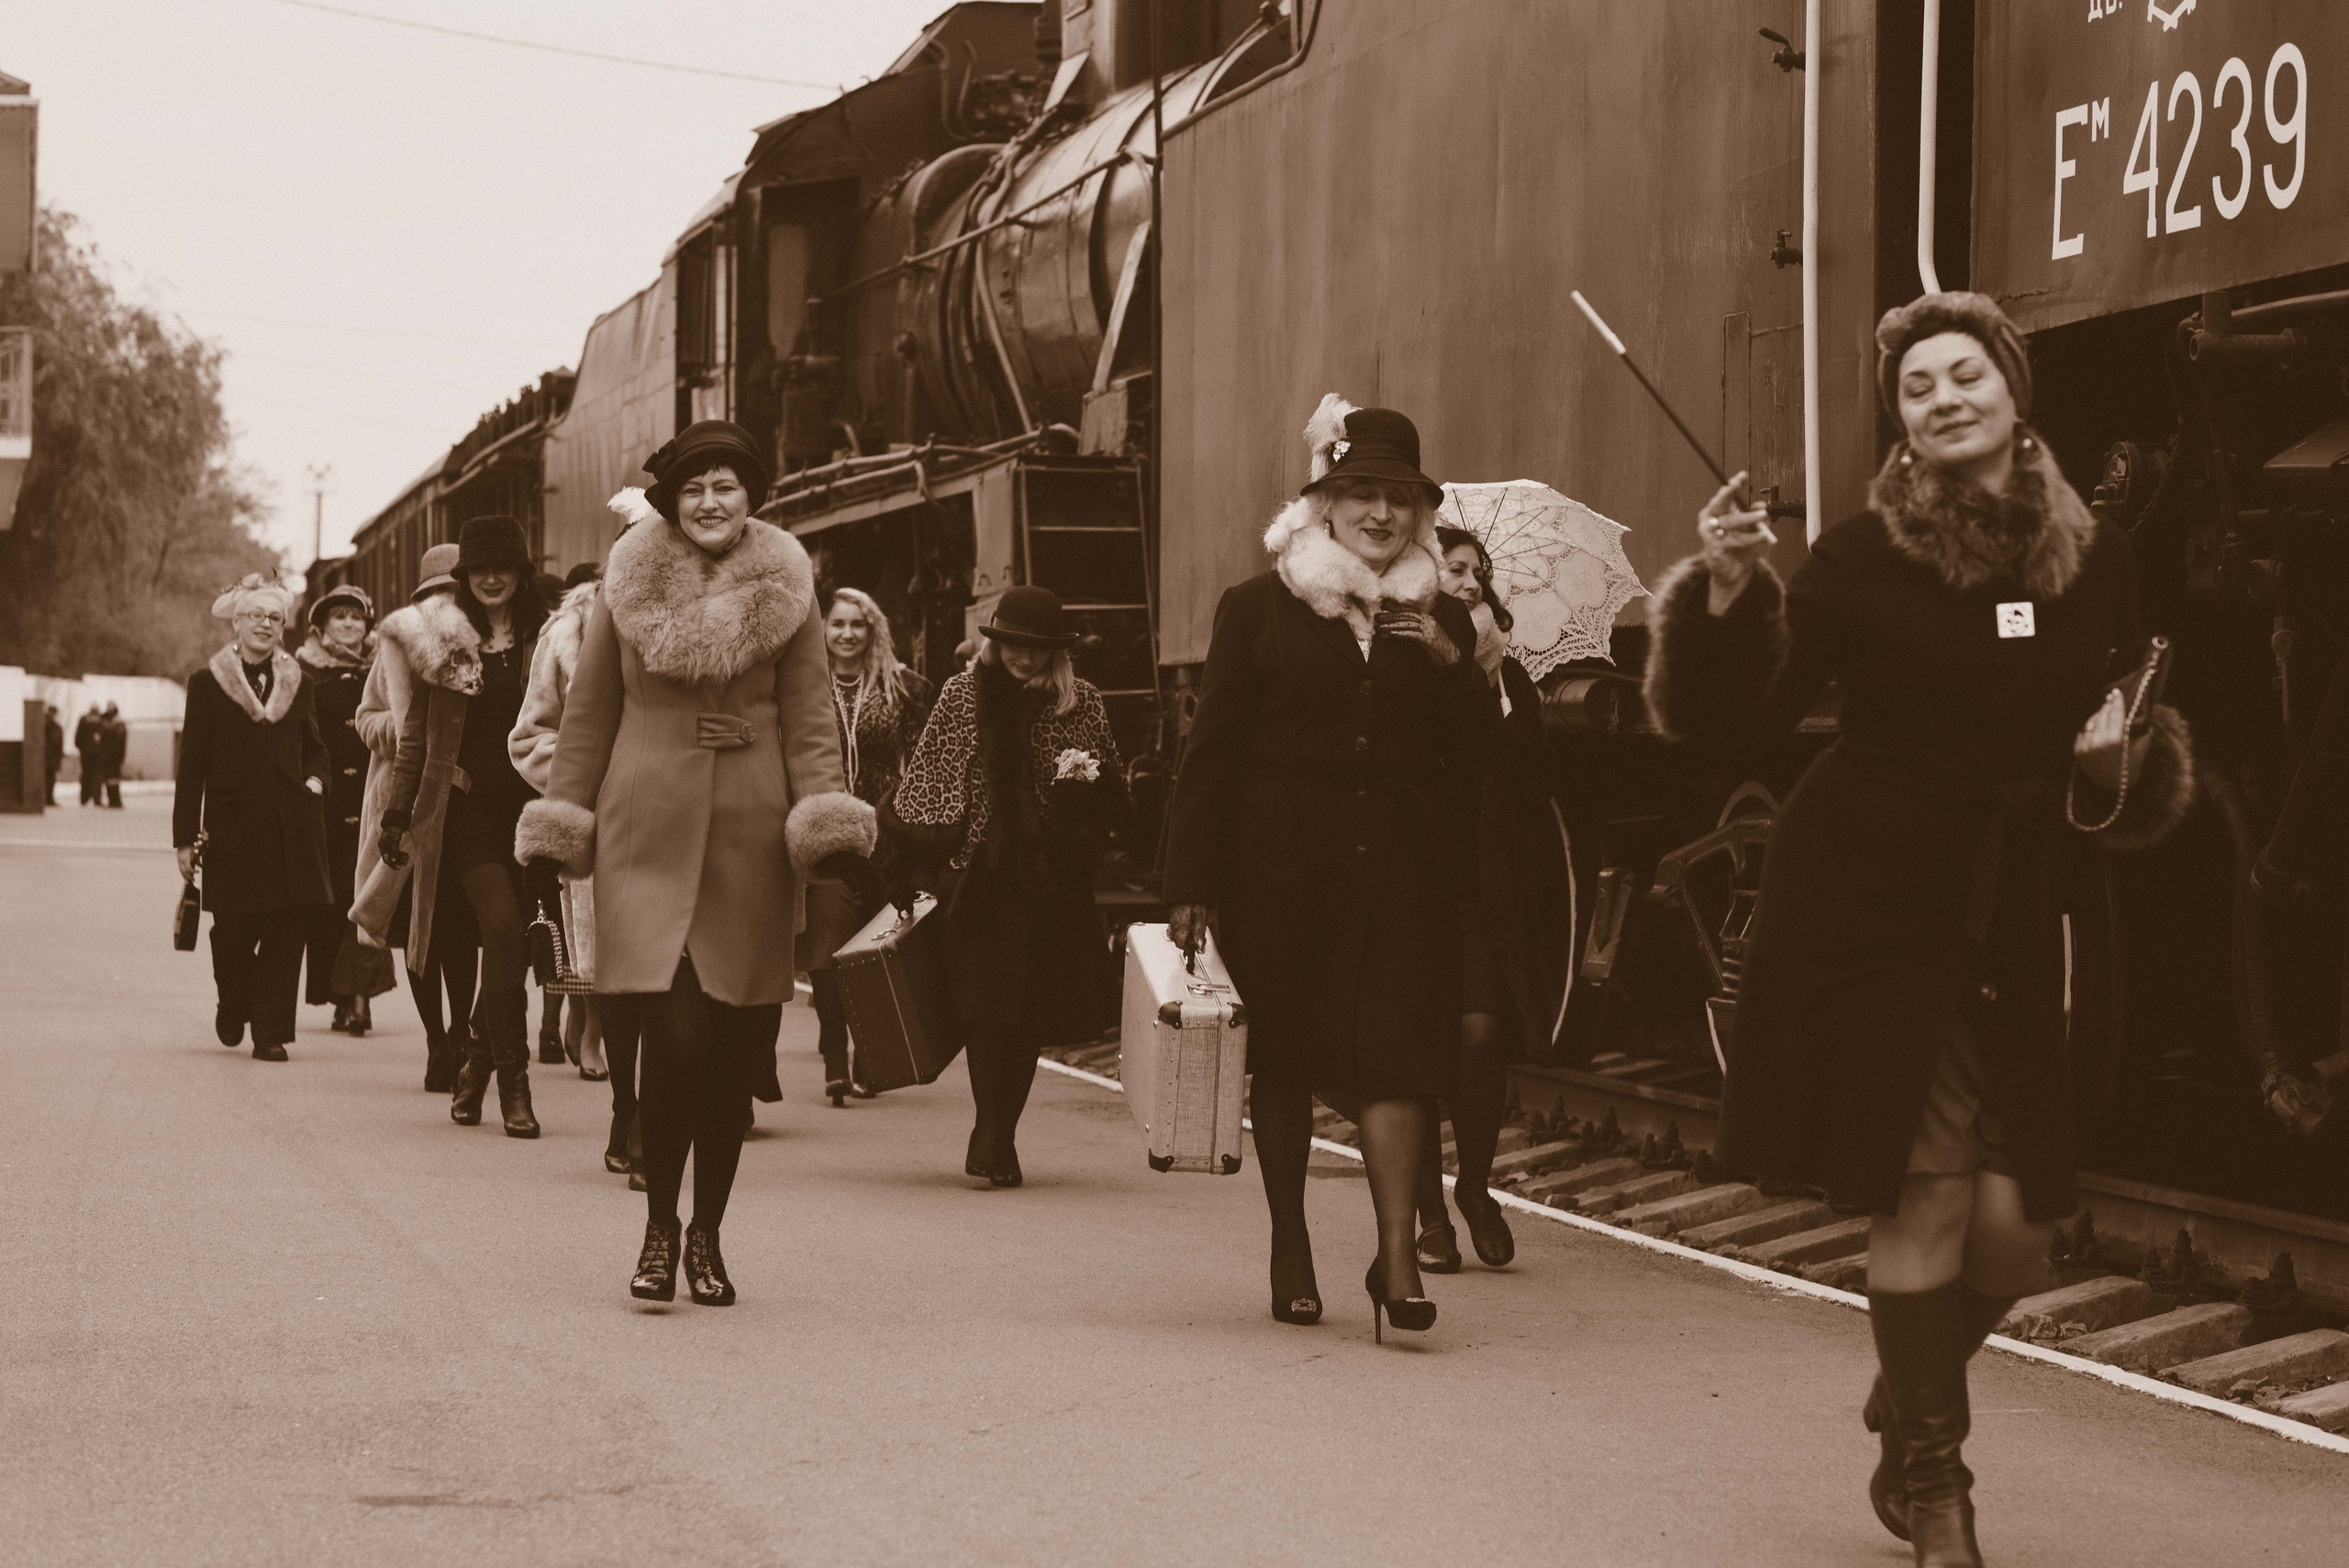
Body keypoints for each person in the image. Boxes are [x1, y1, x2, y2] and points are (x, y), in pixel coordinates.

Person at [1642, 293, 2195, 1568]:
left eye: (1964, 376)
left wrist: (2119, 755)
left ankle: (1909, 1388)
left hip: (2012, 904)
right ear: (1902, 421)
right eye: (1916, 389)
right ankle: (1935, 1486)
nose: (1943, 400)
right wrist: (1729, 592)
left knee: (2025, 1220)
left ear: (2013, 388)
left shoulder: (2092, 554)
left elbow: (2127, 716)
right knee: (1928, 1192)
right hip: (1871, 901)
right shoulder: (1854, 557)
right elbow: (1741, 728)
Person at [517, 420, 877, 1306]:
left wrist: (822, 819)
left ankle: (709, 1234)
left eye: (725, 485)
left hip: (750, 846)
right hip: (645, 835)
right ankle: (658, 1229)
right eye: (694, 489)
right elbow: (591, 715)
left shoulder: (788, 584)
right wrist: (563, 822)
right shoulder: (625, 585)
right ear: (670, 505)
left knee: (733, 1061)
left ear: (751, 496)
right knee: (674, 1040)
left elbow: (808, 718)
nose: (710, 502)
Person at [1162, 398, 1491, 1341]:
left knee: (1400, 1060)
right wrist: (1189, 881)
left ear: (1419, 511)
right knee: (1288, 1058)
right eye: (1359, 494)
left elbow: (1477, 762)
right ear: (1322, 504)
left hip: (1401, 870)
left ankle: (1393, 1257)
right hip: (1281, 867)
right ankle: (1291, 1244)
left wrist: (1452, 665)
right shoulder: (1257, 608)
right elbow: (1211, 755)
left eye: (1396, 497)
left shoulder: (1445, 622)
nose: (1379, 514)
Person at [885, 584, 1124, 1186]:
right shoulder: (962, 694)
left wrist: (1081, 796)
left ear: (1056, 651)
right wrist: (912, 863)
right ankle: (991, 1130)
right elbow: (928, 782)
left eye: (1038, 648)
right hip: (977, 880)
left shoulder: (1081, 701)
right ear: (996, 640)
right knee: (987, 1012)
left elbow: (1111, 786)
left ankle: (1001, 1132)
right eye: (1014, 644)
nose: (1023, 657)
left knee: (1028, 1017)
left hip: (1051, 883)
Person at [1411, 526, 1574, 1274]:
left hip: (1481, 887)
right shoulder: (1401, 660)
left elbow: (1535, 784)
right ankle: (1427, 1219)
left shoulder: (1510, 681)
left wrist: (1495, 692)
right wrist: (1452, 675)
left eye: (1480, 572)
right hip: (1413, 876)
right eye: (1455, 568)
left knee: (1480, 1033)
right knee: (1408, 1052)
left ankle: (1473, 1187)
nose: (1472, 583)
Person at [366, 516, 548, 1139]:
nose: (492, 576)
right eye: (479, 567)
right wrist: (397, 814)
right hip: (466, 810)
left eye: (503, 565)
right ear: (464, 576)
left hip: (535, 813)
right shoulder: (443, 640)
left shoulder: (546, 638)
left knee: (517, 944)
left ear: (522, 572)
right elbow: (414, 739)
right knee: (499, 925)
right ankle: (513, 1083)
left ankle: (474, 1061)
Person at [510, 558, 642, 1185]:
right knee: (618, 978)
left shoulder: (710, 609)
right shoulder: (570, 629)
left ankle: (668, 1112)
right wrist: (594, 779)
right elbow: (530, 736)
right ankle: (629, 1110)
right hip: (605, 828)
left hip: (695, 822)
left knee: (682, 982)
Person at [173, 573, 334, 1061]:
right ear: (236, 623)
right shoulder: (207, 684)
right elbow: (192, 766)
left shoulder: (299, 682)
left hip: (290, 828)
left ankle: (270, 1032)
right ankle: (233, 1001)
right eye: (256, 616)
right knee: (234, 931)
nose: (265, 625)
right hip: (231, 829)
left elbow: (316, 750)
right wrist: (184, 838)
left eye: (275, 618)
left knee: (287, 930)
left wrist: (314, 782)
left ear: (283, 627)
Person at [353, 543, 480, 1092]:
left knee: (459, 931)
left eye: (453, 594)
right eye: (434, 595)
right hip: (403, 799)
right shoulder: (393, 649)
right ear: (421, 600)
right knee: (414, 927)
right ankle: (436, 1040)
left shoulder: (477, 652)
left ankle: (461, 1033)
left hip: (464, 802)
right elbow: (364, 718)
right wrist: (404, 733)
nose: (443, 605)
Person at [809, 586, 935, 1104]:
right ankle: (835, 1058)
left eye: (857, 625)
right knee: (825, 951)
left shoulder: (900, 687)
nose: (846, 634)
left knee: (873, 949)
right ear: (824, 630)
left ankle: (867, 1053)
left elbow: (923, 760)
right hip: (824, 830)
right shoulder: (805, 686)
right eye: (837, 624)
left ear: (872, 630)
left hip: (883, 834)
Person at [297, 584, 382, 1034]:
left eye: (356, 617)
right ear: (322, 626)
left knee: (367, 896)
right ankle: (339, 991)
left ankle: (362, 995)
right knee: (331, 902)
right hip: (325, 801)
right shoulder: (304, 671)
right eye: (339, 618)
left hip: (374, 797)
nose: (349, 625)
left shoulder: (383, 666)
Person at [74, 704, 104, 806]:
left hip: (85, 753)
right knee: (97, 776)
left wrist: (82, 748)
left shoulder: (83, 720)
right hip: (98, 754)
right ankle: (97, 799)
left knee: (85, 775)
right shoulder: (101, 720)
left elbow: (77, 738)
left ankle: (84, 798)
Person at [99, 703, 128, 806]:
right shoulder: (112, 723)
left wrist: (118, 756)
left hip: (113, 757)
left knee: (113, 779)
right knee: (110, 779)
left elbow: (119, 743)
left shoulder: (117, 723)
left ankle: (115, 801)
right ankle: (113, 800)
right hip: (110, 756)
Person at [42, 704, 63, 807]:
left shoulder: (55, 726)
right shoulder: (47, 725)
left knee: (50, 779)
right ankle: (48, 799)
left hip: (52, 757)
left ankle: (49, 799)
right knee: (48, 779)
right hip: (48, 757)